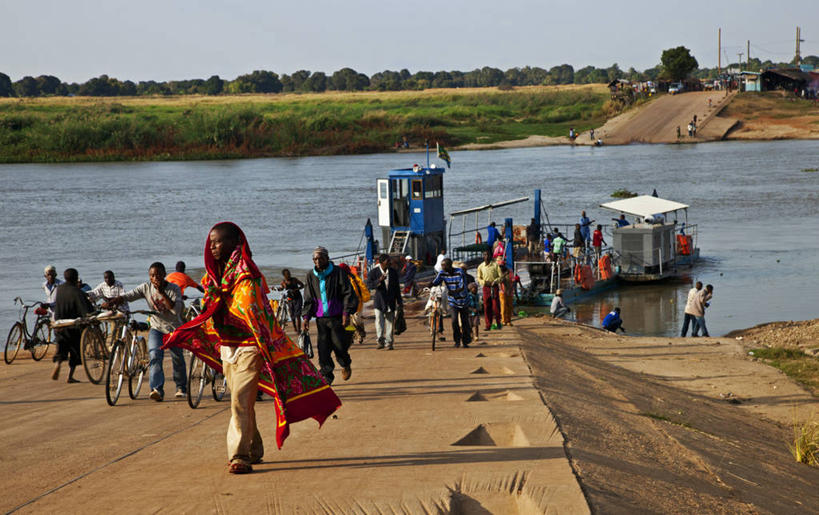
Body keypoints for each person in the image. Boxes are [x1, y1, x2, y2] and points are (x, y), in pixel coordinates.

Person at [163, 222, 340, 474]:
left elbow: (250, 308)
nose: (212, 246)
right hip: (227, 347)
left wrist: (222, 303)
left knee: (238, 401)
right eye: (210, 242)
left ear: (234, 244)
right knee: (243, 402)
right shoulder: (214, 275)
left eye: (218, 241)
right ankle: (255, 448)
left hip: (249, 347)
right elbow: (210, 305)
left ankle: (239, 456)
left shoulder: (249, 275)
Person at [105, 262, 186, 401]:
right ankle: (157, 390)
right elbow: (129, 295)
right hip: (156, 327)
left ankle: (181, 387)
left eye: (158, 275)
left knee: (177, 358)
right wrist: (113, 301)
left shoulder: (174, 289)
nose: (155, 278)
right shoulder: (146, 287)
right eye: (152, 275)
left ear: (164, 274)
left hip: (174, 328)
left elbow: (175, 310)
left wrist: (161, 292)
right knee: (154, 355)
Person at [302, 247, 357, 384]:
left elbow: (347, 293)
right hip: (321, 319)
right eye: (315, 259)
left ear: (327, 258)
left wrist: (346, 313)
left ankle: (345, 364)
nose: (318, 261)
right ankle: (327, 375)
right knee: (323, 348)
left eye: (320, 258)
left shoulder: (338, 272)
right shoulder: (310, 276)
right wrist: (306, 317)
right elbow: (308, 298)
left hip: (337, 317)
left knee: (339, 346)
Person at [51, 268, 92, 383]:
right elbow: (86, 309)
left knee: (62, 349)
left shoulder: (60, 289)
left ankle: (58, 364)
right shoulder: (77, 292)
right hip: (73, 327)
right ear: (76, 278)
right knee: (75, 352)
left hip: (59, 325)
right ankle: (70, 376)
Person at [431, 258, 471, 348]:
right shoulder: (442, 273)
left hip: (463, 300)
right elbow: (436, 282)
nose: (443, 267)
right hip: (453, 301)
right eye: (442, 265)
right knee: (454, 321)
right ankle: (457, 341)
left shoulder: (460, 272)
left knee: (465, 322)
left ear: (450, 265)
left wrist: (453, 292)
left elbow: (462, 286)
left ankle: (465, 341)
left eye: (444, 265)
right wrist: (428, 285)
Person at [366, 253, 403, 350]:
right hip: (379, 301)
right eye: (387, 262)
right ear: (381, 263)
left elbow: (397, 288)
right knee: (379, 321)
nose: (389, 263)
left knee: (390, 322)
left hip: (391, 300)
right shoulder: (373, 272)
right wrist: (379, 280)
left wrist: (399, 301)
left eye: (390, 262)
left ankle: (389, 342)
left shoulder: (393, 272)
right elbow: (369, 285)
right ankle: (380, 340)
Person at [338, 263, 368, 345]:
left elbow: (362, 288)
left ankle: (360, 335)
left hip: (357, 304)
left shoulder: (354, 278)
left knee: (356, 321)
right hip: (345, 305)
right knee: (349, 322)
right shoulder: (339, 280)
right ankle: (351, 337)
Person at [476, 250, 502, 330]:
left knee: (496, 307)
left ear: (490, 256)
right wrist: (484, 282)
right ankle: (488, 325)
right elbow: (479, 278)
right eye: (485, 255)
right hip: (486, 287)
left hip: (494, 286)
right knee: (487, 306)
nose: (486, 257)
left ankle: (498, 323)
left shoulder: (495, 265)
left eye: (488, 255)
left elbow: (500, 277)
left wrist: (495, 281)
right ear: (483, 257)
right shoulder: (481, 266)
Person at [279, 269, 304, 334]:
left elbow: (302, 285)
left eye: (289, 274)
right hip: (290, 299)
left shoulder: (294, 280)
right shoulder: (283, 282)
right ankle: (295, 328)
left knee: (298, 314)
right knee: (292, 315)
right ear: (284, 276)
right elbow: (281, 288)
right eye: (287, 274)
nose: (289, 275)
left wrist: (296, 289)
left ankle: (299, 329)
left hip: (298, 298)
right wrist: (275, 289)